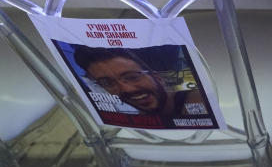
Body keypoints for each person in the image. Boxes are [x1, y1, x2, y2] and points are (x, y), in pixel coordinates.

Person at [74, 47, 206, 118]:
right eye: (107, 83)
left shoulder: (195, 96)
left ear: (157, 76)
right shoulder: (140, 116)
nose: (126, 89)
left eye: (132, 77)